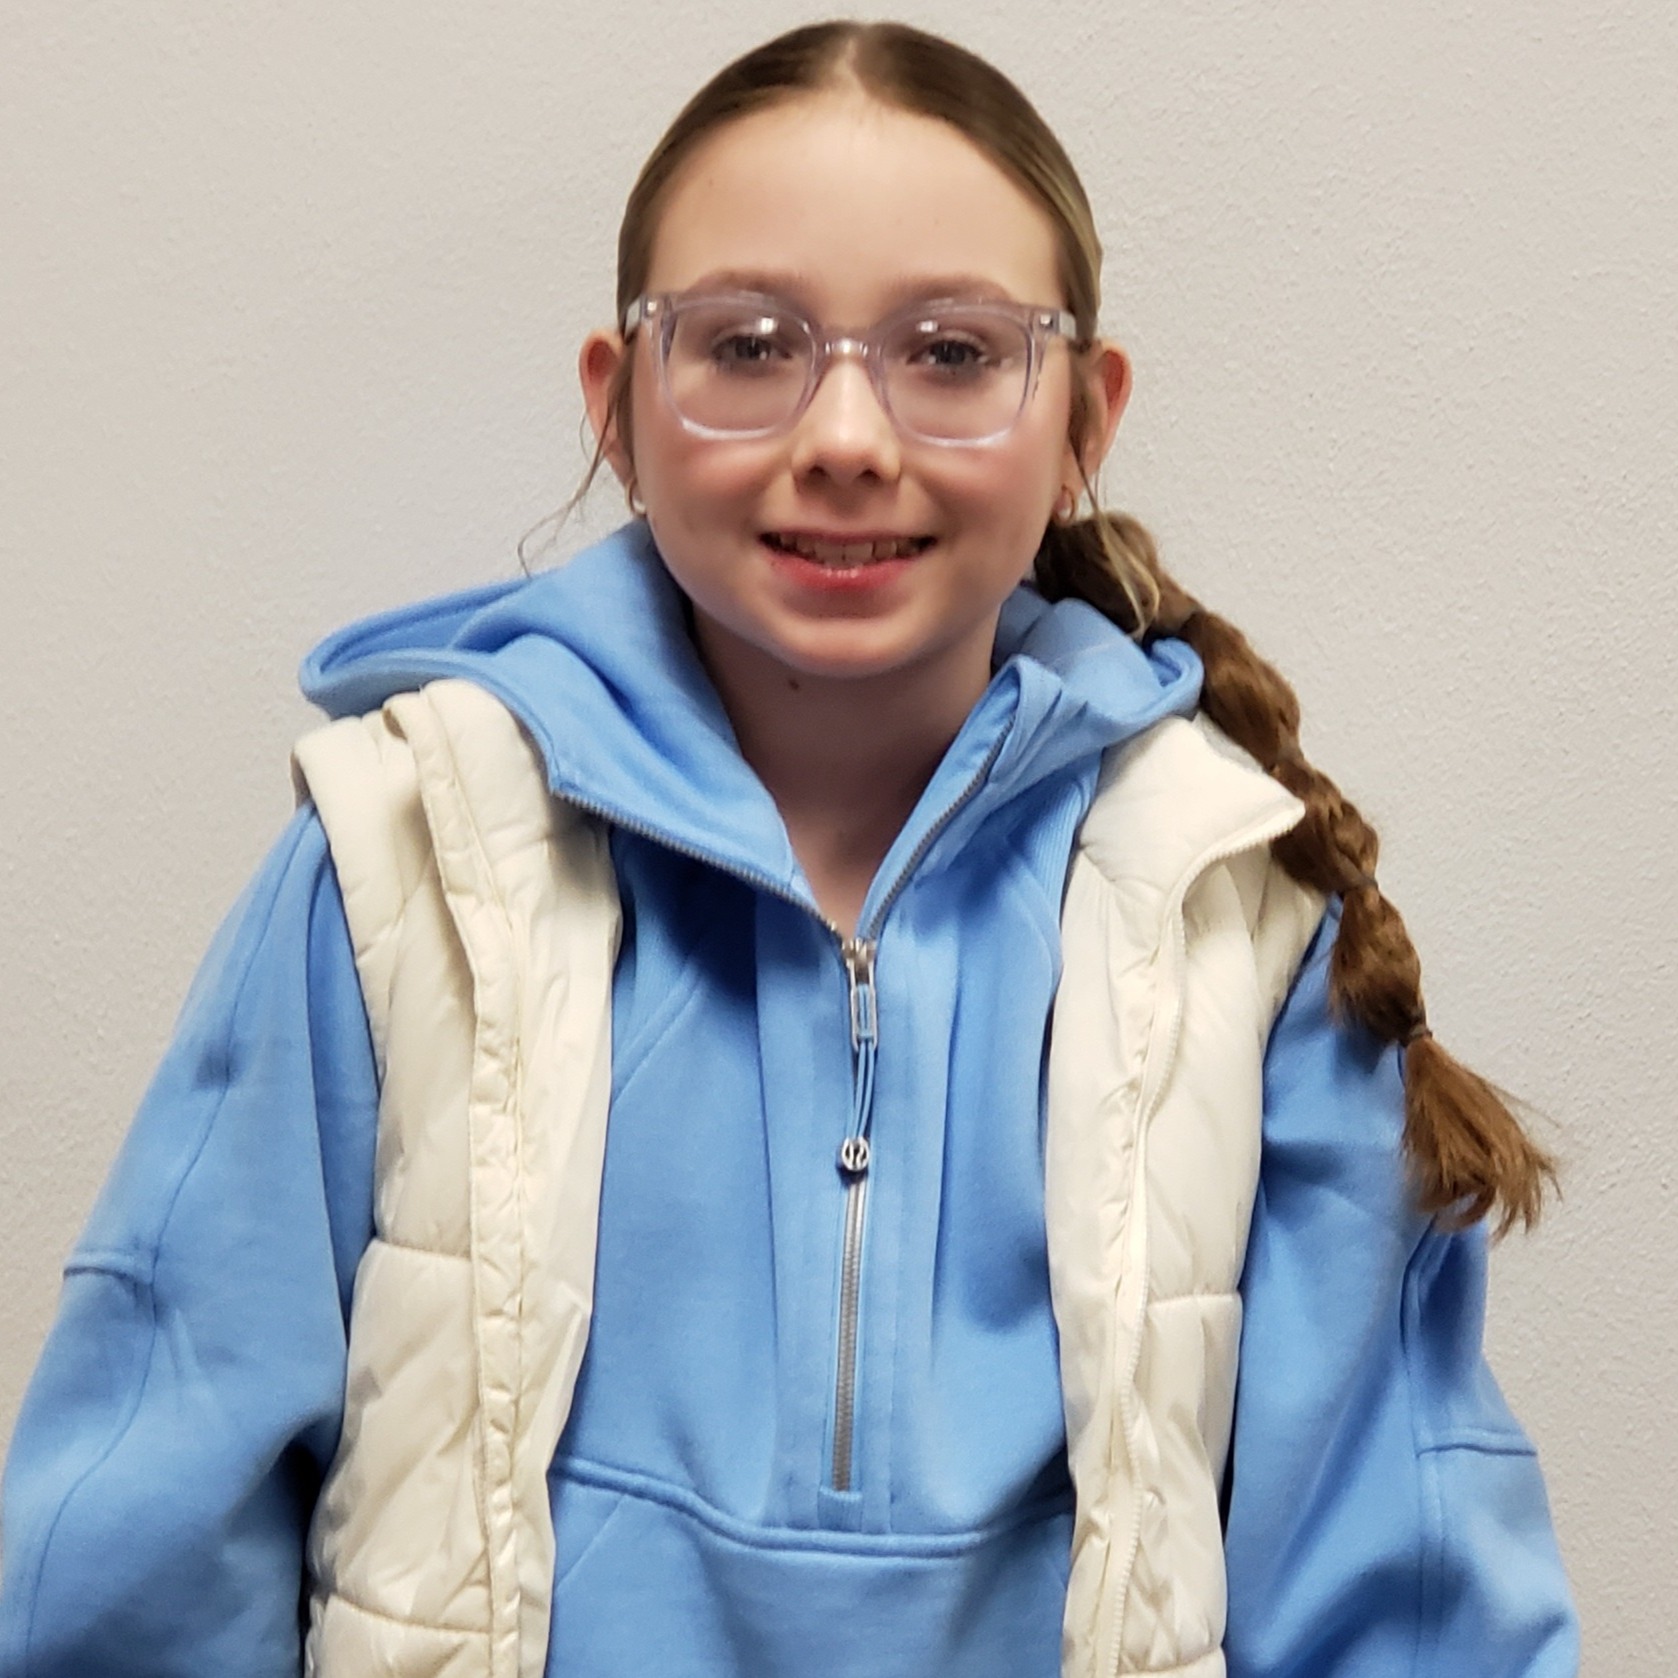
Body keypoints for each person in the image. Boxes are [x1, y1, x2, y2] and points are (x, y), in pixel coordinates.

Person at [0, 19, 1577, 1678]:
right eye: (748, 344)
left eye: (952, 353)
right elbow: (144, 1540)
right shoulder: (400, 867)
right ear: (617, 405)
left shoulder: (1235, 923)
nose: (842, 434)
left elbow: (1402, 1606)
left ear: (1082, 423)